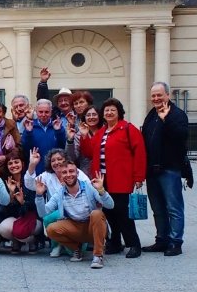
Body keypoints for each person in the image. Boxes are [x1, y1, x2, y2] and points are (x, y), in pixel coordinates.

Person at [79, 98, 146, 258]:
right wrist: (84, 136)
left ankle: (134, 244)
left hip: (121, 178)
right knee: (109, 212)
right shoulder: (102, 131)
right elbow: (89, 151)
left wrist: (139, 176)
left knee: (123, 213)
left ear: (119, 113)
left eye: (112, 110)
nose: (109, 113)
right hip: (103, 180)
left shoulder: (128, 129)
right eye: (106, 110)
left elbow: (140, 153)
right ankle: (115, 242)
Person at [35, 162, 114, 269]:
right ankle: (76, 249)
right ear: (61, 176)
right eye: (64, 172)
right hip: (75, 227)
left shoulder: (89, 187)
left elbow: (110, 205)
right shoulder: (59, 193)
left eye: (71, 171)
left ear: (77, 173)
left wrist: (101, 191)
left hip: (92, 227)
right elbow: (43, 213)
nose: (68, 175)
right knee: (51, 229)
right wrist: (39, 196)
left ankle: (98, 255)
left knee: (97, 214)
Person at [141, 82, 189, 256]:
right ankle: (162, 240)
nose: (156, 98)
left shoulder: (177, 114)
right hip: (152, 170)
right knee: (158, 209)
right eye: (153, 95)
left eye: (159, 95)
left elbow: (181, 136)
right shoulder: (151, 114)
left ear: (168, 95)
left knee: (173, 208)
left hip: (169, 169)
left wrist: (166, 120)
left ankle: (175, 242)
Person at [24, 147, 91, 257]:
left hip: (77, 213)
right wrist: (32, 164)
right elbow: (30, 184)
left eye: (59, 159)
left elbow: (89, 190)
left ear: (66, 160)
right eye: (53, 160)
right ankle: (56, 245)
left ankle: (71, 244)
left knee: (73, 251)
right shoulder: (47, 175)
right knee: (48, 217)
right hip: (55, 213)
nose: (56, 162)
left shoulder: (76, 173)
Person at [0, 152, 42, 254]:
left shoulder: (29, 179)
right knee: (3, 228)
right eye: (10, 163)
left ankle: (32, 241)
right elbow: (7, 210)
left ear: (22, 163)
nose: (14, 165)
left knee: (23, 233)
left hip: (32, 218)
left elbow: (34, 205)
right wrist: (11, 192)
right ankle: (16, 242)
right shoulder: (7, 182)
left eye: (16, 162)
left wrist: (23, 202)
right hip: (16, 218)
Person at [21, 99, 66, 174]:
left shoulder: (57, 126)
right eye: (40, 112)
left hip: (56, 171)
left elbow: (63, 147)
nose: (43, 115)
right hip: (37, 170)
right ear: (36, 112)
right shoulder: (30, 126)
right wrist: (28, 132)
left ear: (51, 112)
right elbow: (25, 149)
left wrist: (58, 131)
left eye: (47, 112)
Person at [66, 104, 101, 174]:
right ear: (84, 118)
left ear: (99, 116)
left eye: (94, 114)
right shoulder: (79, 135)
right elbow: (71, 158)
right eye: (88, 115)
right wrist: (70, 140)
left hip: (105, 171)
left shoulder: (105, 131)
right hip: (86, 174)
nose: (91, 117)